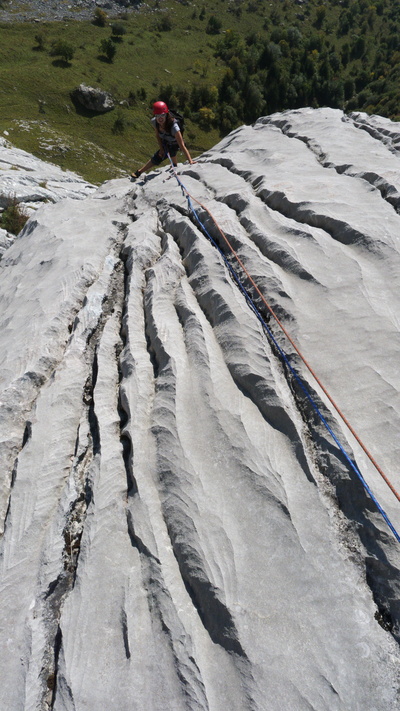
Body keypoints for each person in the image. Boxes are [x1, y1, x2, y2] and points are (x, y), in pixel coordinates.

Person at [131, 101, 195, 179]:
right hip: (166, 141)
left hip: (175, 143)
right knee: (158, 156)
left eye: (162, 115)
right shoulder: (155, 122)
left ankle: (174, 165)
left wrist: (190, 161)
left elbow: (182, 145)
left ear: (166, 114)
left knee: (172, 150)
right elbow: (158, 136)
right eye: (157, 115)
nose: (160, 118)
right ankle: (139, 172)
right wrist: (161, 149)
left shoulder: (174, 127)